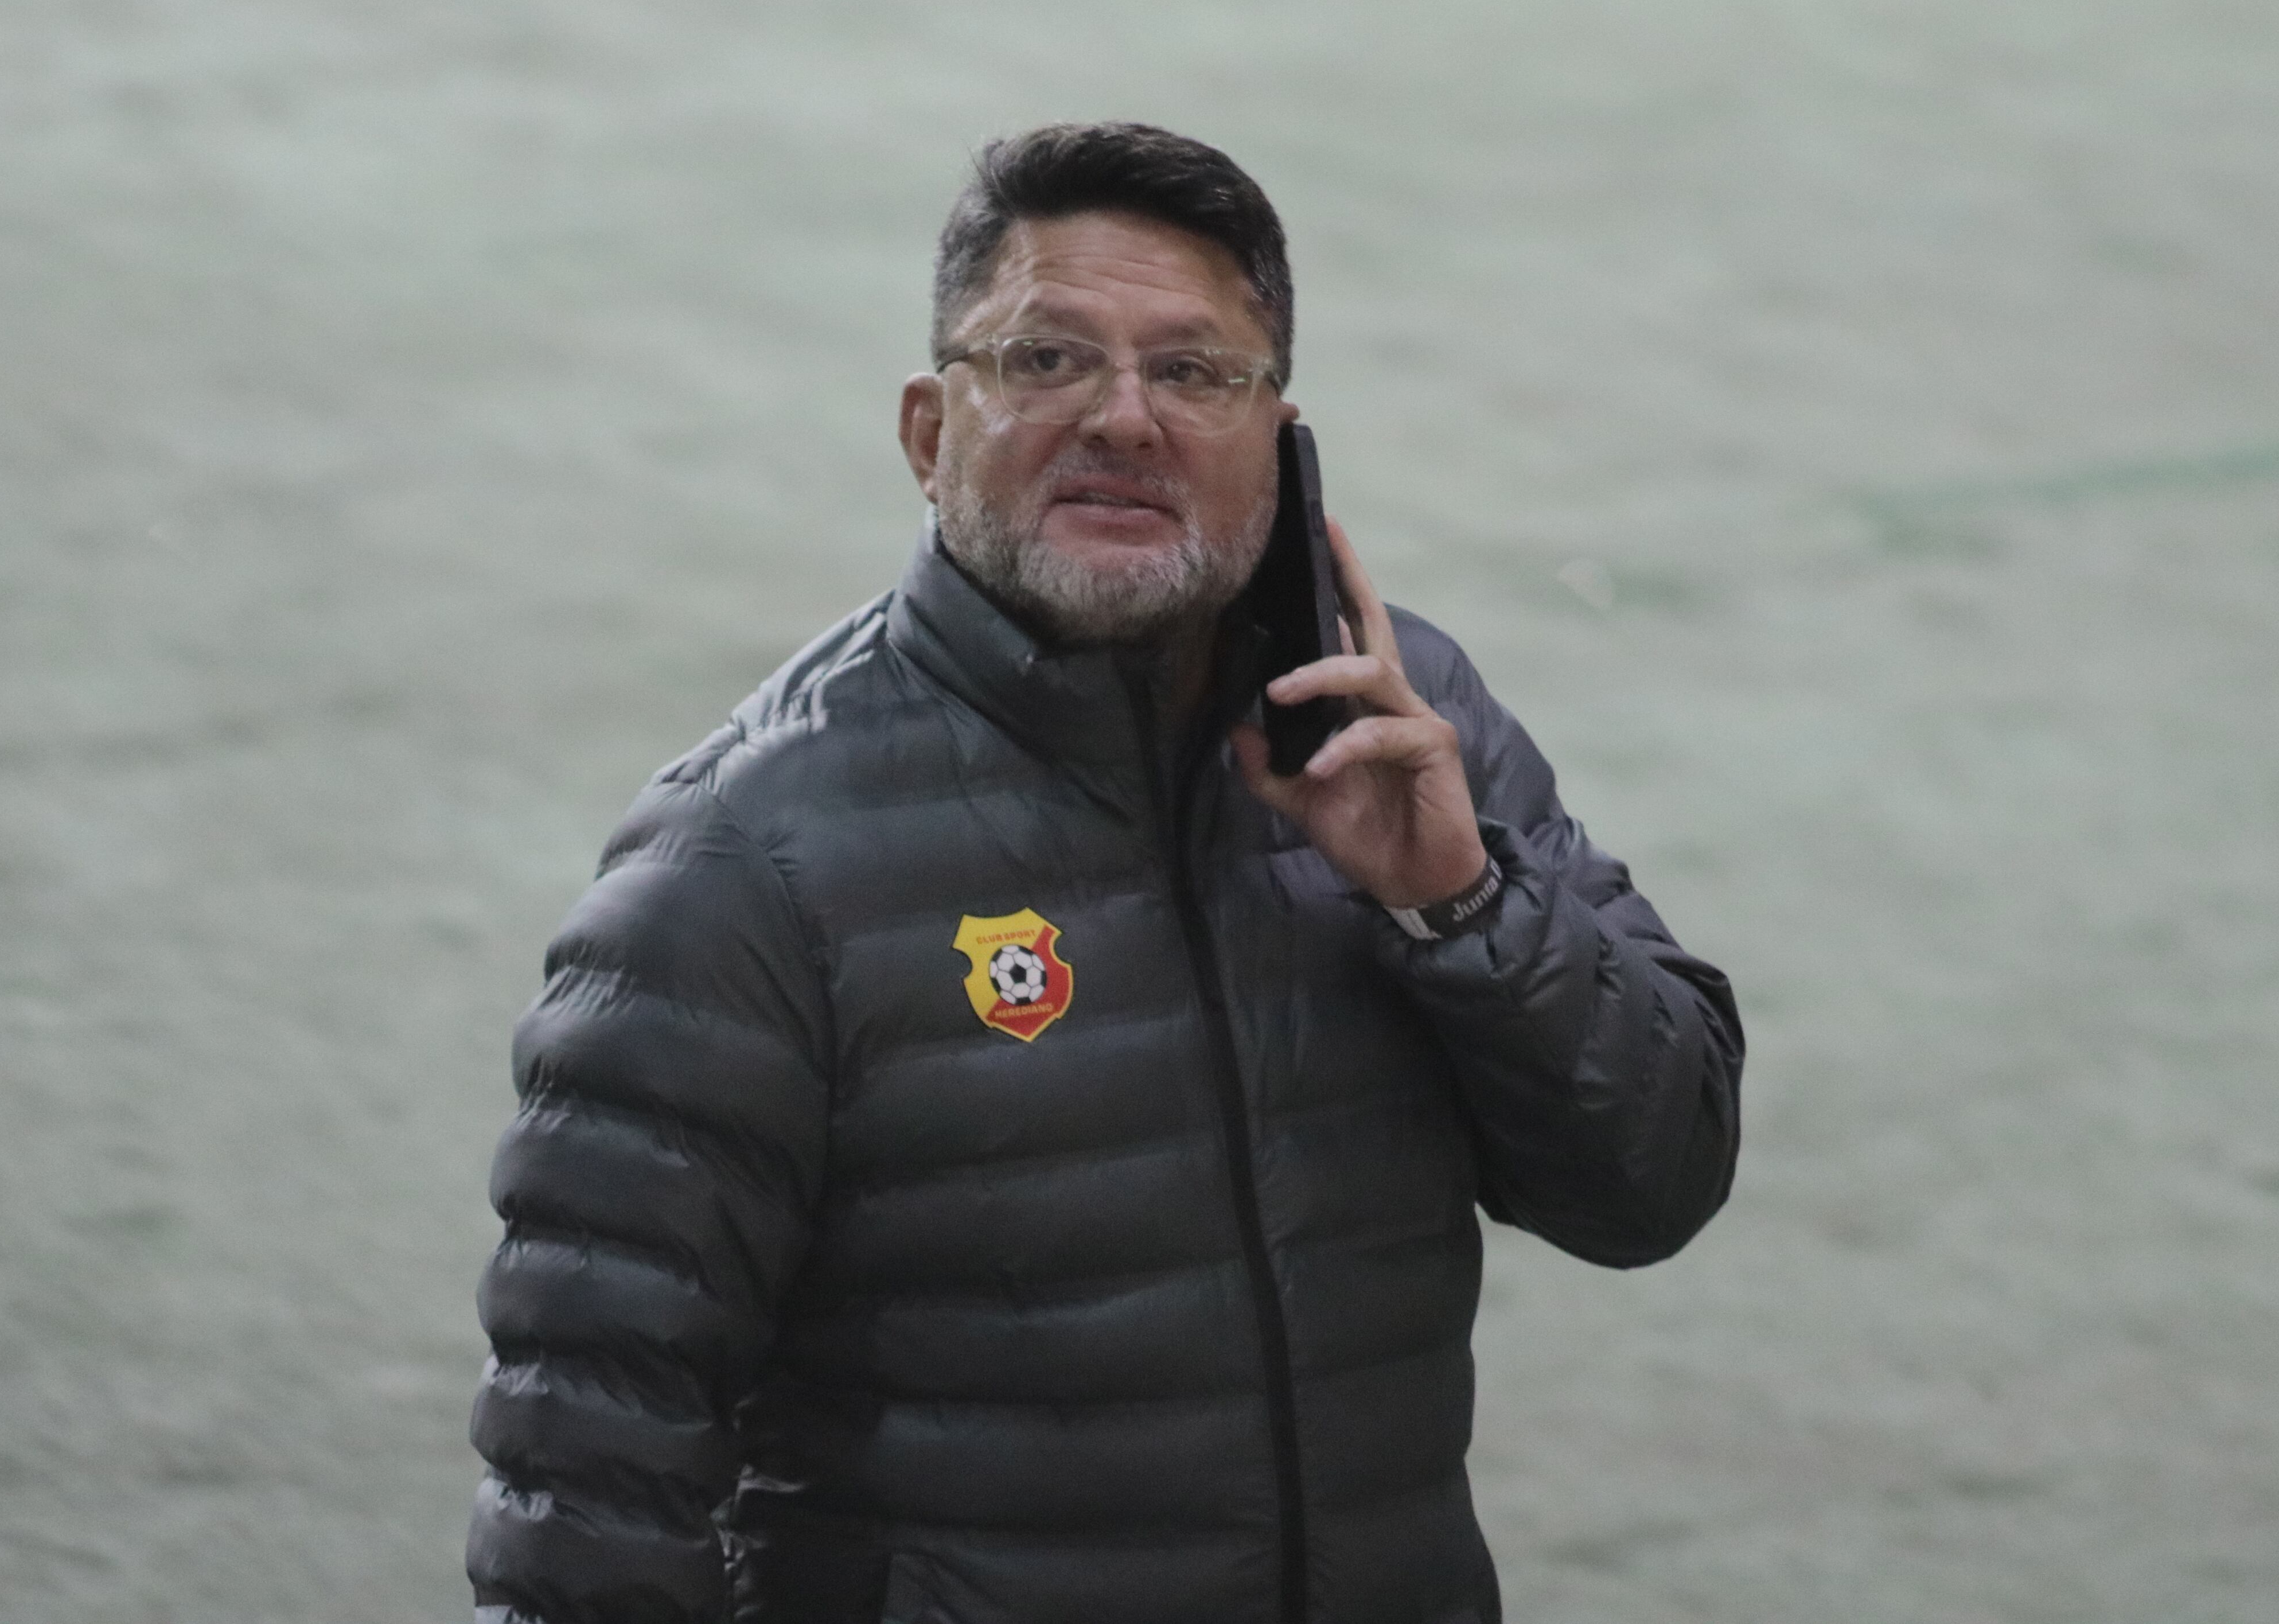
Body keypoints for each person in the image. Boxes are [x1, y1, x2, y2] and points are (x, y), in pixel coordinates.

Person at [466, 123, 1744, 1624]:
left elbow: (1653, 1185)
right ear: (928, 433)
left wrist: (1459, 903)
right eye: (1047, 360)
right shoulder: (745, 866)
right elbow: (587, 1494)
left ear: (1279, 442)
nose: (1124, 419)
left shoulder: (1406, 728)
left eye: (1193, 373)